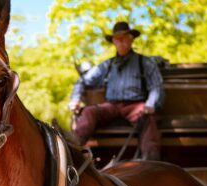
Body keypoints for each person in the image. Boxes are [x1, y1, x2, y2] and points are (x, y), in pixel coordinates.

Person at [68, 21, 164, 160]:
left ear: (131, 39)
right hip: (111, 106)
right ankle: (71, 150)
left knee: (147, 119)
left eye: (124, 38)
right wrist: (75, 99)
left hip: (135, 105)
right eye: (117, 39)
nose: (121, 42)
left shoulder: (145, 62)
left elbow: (156, 86)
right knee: (89, 111)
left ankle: (150, 162)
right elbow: (82, 81)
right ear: (113, 41)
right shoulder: (106, 65)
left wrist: (150, 105)